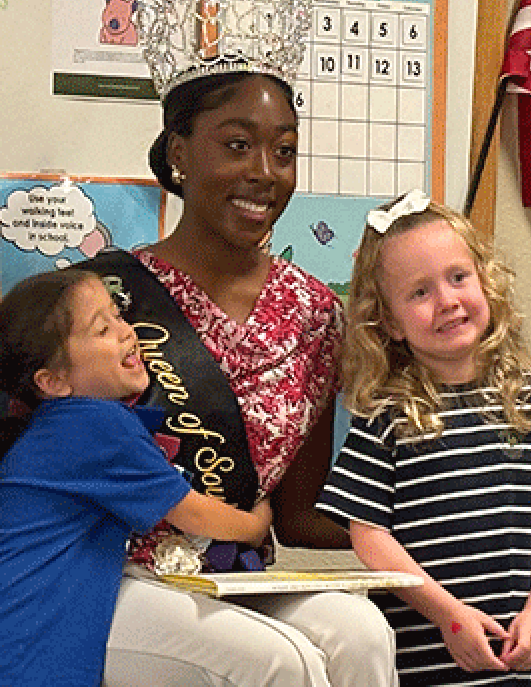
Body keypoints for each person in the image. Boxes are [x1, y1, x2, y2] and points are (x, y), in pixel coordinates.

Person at [77, 68, 396, 686]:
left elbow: (299, 515)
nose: (265, 172)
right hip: (111, 575)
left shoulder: (314, 314)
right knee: (280, 662)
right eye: (237, 144)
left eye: (284, 151)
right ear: (179, 152)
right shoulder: (99, 298)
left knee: (362, 633)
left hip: (241, 570)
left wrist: (426, 520)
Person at [0, 268, 274, 686]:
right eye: (102, 329)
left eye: (119, 316)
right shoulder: (95, 423)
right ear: (53, 381)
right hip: (2, 654)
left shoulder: (65, 424)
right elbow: (194, 515)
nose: (127, 333)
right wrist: (257, 523)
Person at [316, 192, 531, 686]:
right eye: (419, 292)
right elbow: (368, 535)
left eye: (458, 278)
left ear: (485, 282)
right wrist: (447, 614)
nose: (447, 301)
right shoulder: (386, 417)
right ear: (389, 321)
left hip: (524, 656)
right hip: (428, 659)